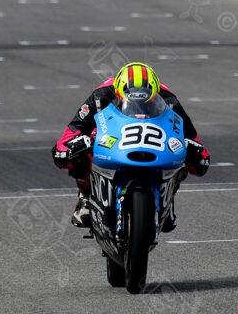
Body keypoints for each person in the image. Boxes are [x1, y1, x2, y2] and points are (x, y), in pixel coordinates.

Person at [52, 62, 210, 230]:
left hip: (154, 141)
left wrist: (197, 153)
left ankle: (168, 199)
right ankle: (85, 197)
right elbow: (74, 130)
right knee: (84, 144)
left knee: (179, 149)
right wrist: (68, 149)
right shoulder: (101, 96)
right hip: (115, 137)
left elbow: (190, 136)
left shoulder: (168, 99)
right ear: (119, 92)